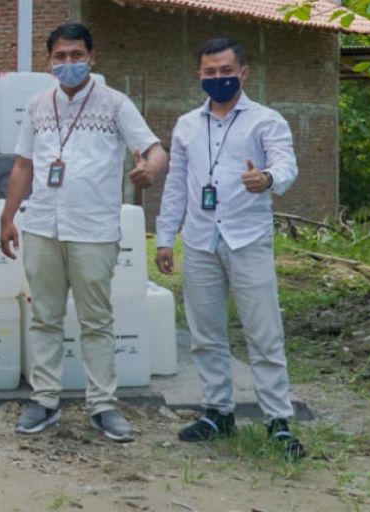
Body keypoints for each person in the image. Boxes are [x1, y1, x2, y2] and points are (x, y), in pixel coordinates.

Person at [0, 21, 167, 442]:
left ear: (93, 58)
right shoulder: (37, 105)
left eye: (77, 56)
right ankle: (44, 400)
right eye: (61, 57)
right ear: (49, 61)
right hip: (41, 226)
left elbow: (154, 148)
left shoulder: (115, 104)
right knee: (44, 316)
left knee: (96, 320)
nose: (69, 63)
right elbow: (23, 164)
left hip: (93, 229)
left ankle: (103, 405)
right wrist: (7, 217)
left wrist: (150, 168)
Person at [155, 38, 305, 459]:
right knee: (205, 334)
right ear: (199, 75)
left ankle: (278, 419)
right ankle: (218, 411)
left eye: (226, 71)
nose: (218, 79)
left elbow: (286, 164)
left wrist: (269, 179)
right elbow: (177, 184)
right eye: (210, 72)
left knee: (264, 333)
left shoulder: (265, 121)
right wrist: (166, 235)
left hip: (247, 238)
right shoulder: (186, 124)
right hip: (201, 240)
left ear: (243, 72)